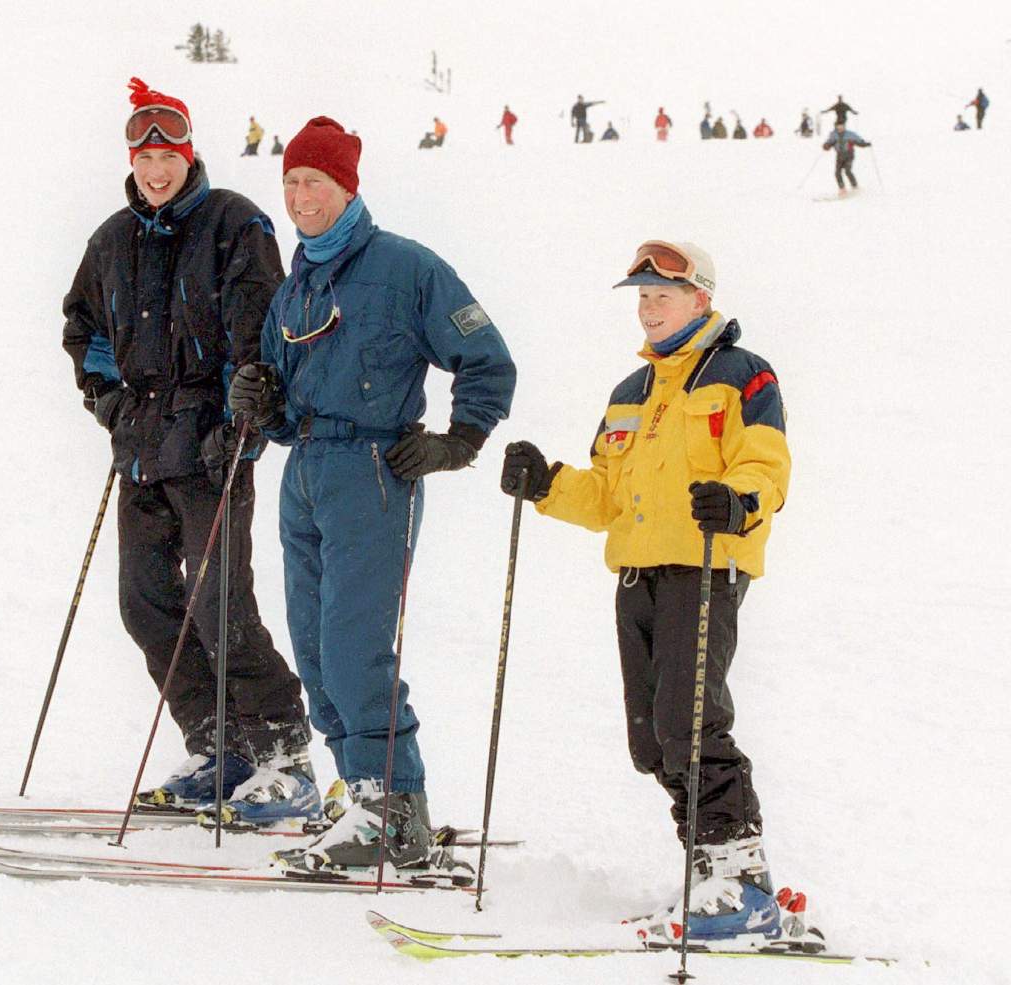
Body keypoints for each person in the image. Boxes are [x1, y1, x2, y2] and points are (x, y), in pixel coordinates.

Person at [227, 116, 516, 875]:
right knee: (315, 648)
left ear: (346, 187)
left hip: (374, 473)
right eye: (289, 181)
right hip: (307, 473)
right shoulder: (296, 287)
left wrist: (461, 440)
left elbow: (486, 358)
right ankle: (359, 794)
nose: (299, 196)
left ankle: (393, 806)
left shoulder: (405, 268)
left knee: (356, 647)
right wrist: (256, 398)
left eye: (313, 182)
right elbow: (279, 398)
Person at [500, 239, 790, 942]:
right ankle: (708, 865)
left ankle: (743, 883)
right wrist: (547, 484)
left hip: (705, 563)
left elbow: (765, 465)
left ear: (701, 299)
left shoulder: (742, 376)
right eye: (641, 296)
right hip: (636, 573)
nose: (649, 307)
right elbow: (605, 495)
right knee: (653, 740)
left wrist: (737, 501)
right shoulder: (630, 393)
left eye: (663, 294)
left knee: (691, 722)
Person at [61, 77, 317, 821]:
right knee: (144, 604)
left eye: (167, 153)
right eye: (144, 156)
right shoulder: (111, 239)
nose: (156, 168)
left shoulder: (235, 223)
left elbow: (259, 330)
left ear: (188, 151)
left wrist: (241, 413)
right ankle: (220, 743)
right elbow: (85, 330)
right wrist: (107, 400)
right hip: (139, 447)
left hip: (211, 446)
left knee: (220, 605)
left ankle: (283, 752)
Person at [822, 121, 871, 196]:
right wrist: (826, 145)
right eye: (838, 126)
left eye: (841, 126)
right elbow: (829, 142)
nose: (840, 128)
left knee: (847, 170)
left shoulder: (850, 134)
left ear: (844, 126)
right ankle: (842, 188)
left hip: (849, 155)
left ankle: (854, 186)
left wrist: (865, 144)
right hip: (839, 155)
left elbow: (859, 141)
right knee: (837, 172)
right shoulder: (833, 135)